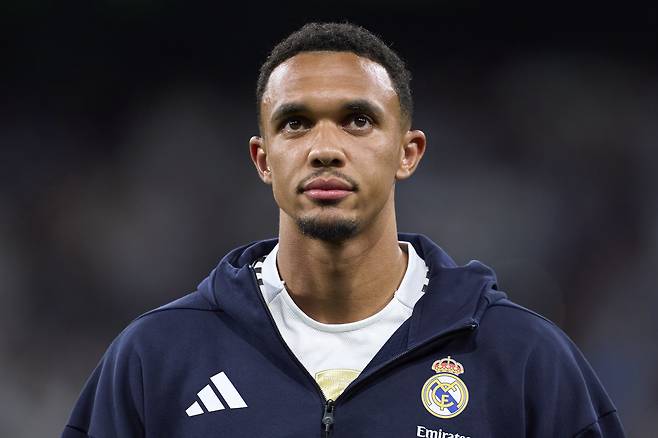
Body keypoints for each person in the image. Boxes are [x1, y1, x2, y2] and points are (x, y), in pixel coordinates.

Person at [62, 22, 625, 438]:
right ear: (262, 159)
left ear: (408, 152)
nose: (325, 149)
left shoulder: (523, 359)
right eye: (295, 123)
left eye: (358, 120)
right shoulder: (156, 357)